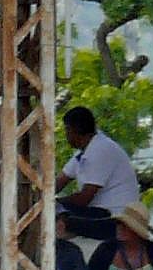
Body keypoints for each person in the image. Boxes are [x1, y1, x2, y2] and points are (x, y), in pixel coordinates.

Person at [57, 104, 138, 245]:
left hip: (113, 220)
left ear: (73, 130)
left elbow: (84, 199)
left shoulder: (100, 150)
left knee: (56, 215)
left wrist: (53, 203)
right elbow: (60, 181)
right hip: (100, 213)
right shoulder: (85, 151)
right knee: (55, 212)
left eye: (67, 130)